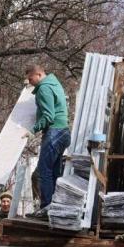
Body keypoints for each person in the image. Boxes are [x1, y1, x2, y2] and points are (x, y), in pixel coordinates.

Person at [24, 65, 70, 219]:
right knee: (55, 172)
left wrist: (33, 130)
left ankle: (46, 208)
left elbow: (49, 116)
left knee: (43, 172)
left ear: (39, 74)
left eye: (31, 78)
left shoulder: (44, 89)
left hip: (54, 132)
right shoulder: (55, 84)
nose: (29, 82)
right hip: (63, 132)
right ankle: (56, 207)